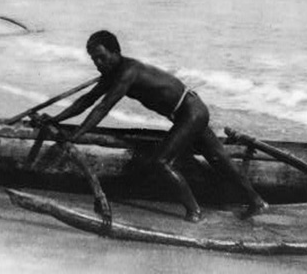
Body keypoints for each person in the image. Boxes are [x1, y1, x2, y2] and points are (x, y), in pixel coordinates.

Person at [35, 30, 268, 222]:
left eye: (102, 57)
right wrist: (56, 120)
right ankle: (257, 201)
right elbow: (85, 101)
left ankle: (194, 211)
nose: (98, 63)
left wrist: (77, 134)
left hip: (191, 112)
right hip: (190, 112)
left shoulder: (128, 72)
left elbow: (102, 107)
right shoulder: (113, 74)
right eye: (94, 59)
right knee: (221, 160)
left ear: (116, 52)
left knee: (161, 161)